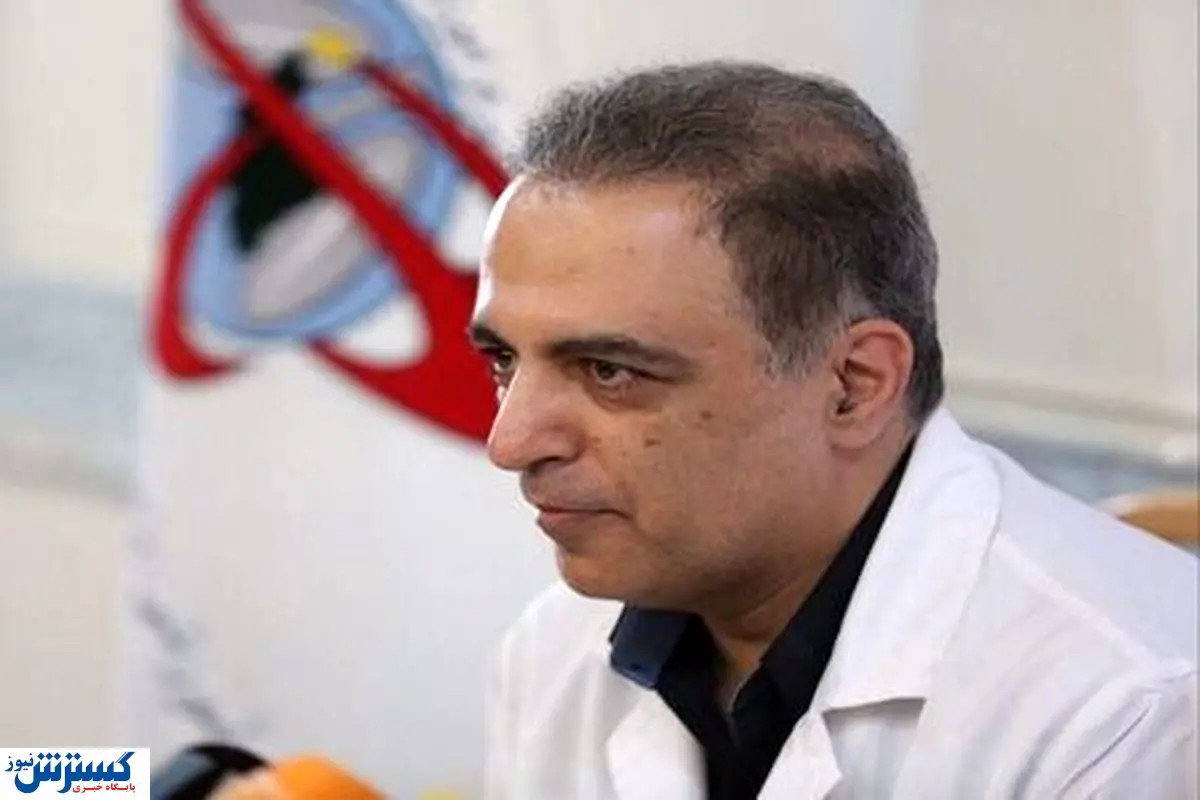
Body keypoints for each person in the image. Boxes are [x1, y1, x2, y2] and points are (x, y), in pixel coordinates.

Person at [469, 61, 1199, 799]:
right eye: (503, 360)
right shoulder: (554, 654)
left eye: (609, 371)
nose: (510, 443)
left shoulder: (1130, 712)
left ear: (855, 385)